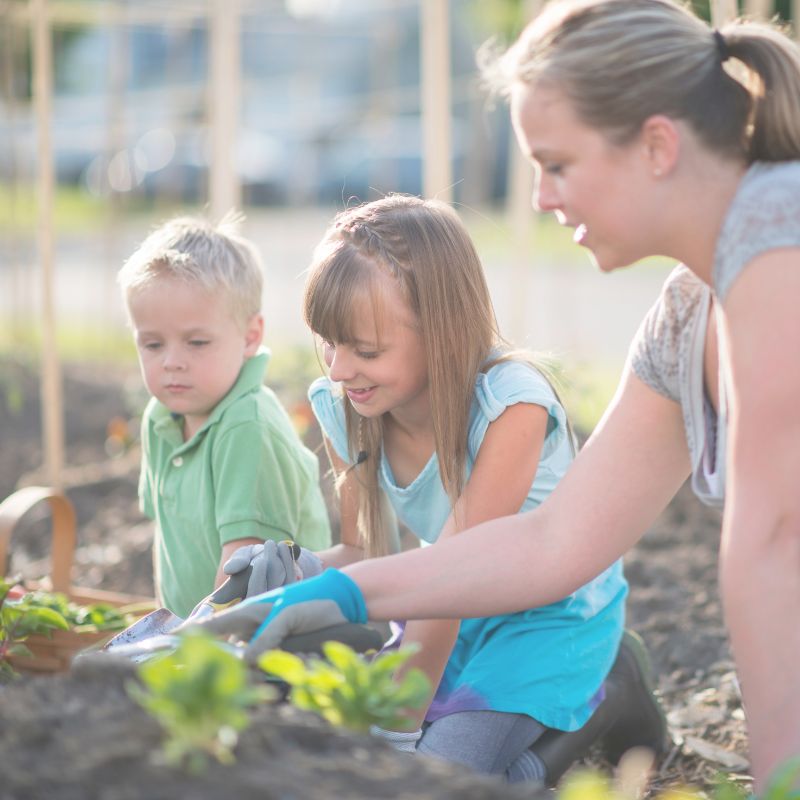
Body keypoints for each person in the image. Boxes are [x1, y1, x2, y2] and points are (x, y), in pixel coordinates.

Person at [189, 0, 800, 787]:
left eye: (557, 163)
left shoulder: (777, 241)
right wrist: (344, 587)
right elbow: (554, 542)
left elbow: (775, 546)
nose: (541, 196)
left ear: (656, 144)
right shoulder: (686, 318)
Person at [197, 195, 667, 784]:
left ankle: (613, 685)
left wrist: (396, 729)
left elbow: (459, 574)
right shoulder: (349, 405)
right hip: (443, 606)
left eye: (366, 350)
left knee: (441, 774)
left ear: (442, 333)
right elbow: (368, 554)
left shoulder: (509, 407)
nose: (339, 368)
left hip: (549, 619)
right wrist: (297, 569)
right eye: (328, 341)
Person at [118, 213, 331, 618]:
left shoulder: (245, 424)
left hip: (275, 636)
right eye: (152, 344)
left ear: (250, 337)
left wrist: (196, 651)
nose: (172, 362)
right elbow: (167, 539)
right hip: (198, 634)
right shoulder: (160, 418)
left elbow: (243, 574)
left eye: (196, 342)